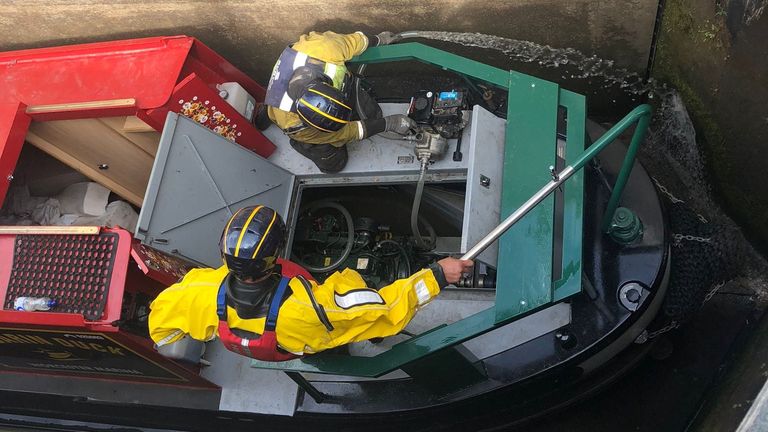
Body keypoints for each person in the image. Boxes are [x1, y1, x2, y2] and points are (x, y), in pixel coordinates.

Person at [148, 205, 473, 361]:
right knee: (353, 304)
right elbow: (383, 311)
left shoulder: (198, 288)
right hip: (308, 334)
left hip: (280, 343)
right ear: (275, 253)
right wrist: (438, 275)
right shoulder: (308, 308)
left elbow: (161, 326)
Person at [261, 30, 418, 173]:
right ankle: (299, 144)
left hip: (340, 86)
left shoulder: (324, 48)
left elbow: (355, 41)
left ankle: (262, 118)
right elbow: (347, 132)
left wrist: (378, 40)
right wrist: (389, 123)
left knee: (373, 114)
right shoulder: (295, 125)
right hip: (294, 123)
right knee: (335, 165)